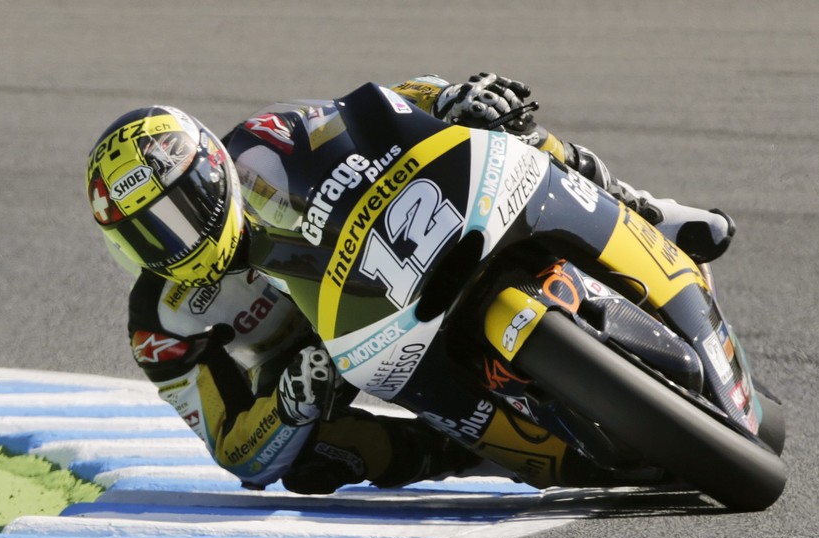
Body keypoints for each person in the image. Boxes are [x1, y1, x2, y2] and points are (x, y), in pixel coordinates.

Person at [85, 73, 735, 495]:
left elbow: (373, 110)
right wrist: (289, 400)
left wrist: (450, 99)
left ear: (211, 165)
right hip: (332, 361)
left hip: (390, 256)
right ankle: (457, 451)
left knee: (501, 126)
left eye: (185, 203)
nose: (181, 235)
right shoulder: (161, 323)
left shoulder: (264, 144)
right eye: (152, 233)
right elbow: (233, 448)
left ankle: (642, 208)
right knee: (314, 465)